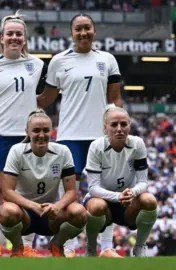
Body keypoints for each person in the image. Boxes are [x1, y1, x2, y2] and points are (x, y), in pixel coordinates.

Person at [36, 13, 122, 257]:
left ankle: (105, 247)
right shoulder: (59, 61)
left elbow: (114, 99)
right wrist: (20, 103)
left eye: (87, 28)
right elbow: (46, 99)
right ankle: (69, 246)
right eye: (78, 29)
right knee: (67, 193)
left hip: (100, 137)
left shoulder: (107, 60)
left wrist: (117, 127)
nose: (83, 33)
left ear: (94, 31)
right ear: (71, 33)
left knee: (105, 191)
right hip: (69, 137)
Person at [0, 12, 45, 257]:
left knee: (28, 192)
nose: (14, 38)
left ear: (25, 39)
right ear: (1, 38)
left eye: (19, 34)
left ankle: (24, 246)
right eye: (10, 34)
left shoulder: (36, 65)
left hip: (27, 136)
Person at [0, 109, 88, 257]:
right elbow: (7, 191)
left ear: (52, 131)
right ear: (27, 132)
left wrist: (57, 206)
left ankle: (57, 244)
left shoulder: (63, 151)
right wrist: (34, 206)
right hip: (24, 214)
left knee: (80, 212)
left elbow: (71, 191)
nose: (41, 135)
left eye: (46, 130)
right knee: (6, 211)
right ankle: (18, 248)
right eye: (36, 130)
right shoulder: (16, 151)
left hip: (51, 215)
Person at [84, 105, 157, 257]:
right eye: (114, 124)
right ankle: (90, 248)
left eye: (123, 124)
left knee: (149, 200)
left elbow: (143, 182)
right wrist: (117, 197)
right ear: (105, 127)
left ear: (129, 126)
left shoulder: (138, 144)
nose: (119, 129)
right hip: (103, 202)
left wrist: (132, 193)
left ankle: (140, 247)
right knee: (96, 205)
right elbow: (93, 188)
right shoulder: (96, 147)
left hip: (127, 204)